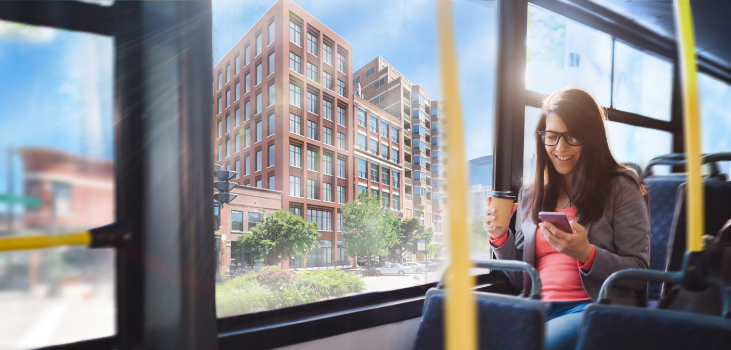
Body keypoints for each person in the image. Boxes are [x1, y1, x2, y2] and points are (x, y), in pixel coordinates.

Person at [483, 87, 650, 350]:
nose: (560, 147)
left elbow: (639, 273)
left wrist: (587, 254)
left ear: (591, 138)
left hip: (593, 308)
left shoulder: (621, 186)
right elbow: (522, 280)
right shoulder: (530, 193)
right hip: (536, 309)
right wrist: (500, 236)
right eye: (552, 136)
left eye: (572, 136)